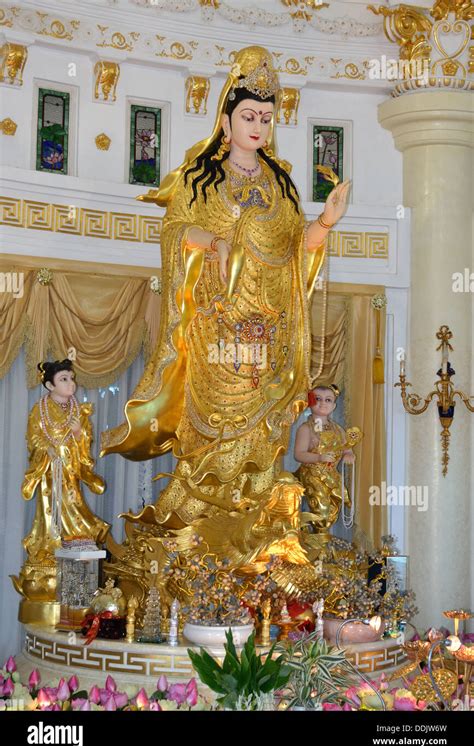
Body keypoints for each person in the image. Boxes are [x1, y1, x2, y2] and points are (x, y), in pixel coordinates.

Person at [100, 46, 350, 584]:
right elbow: (173, 233)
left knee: (262, 441)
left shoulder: (281, 185)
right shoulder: (200, 178)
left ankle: (259, 530)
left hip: (268, 333)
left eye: (266, 117)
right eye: (248, 116)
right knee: (212, 434)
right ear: (226, 116)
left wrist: (326, 223)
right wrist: (209, 242)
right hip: (217, 333)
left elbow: (295, 250)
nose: (258, 126)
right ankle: (200, 527)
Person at [12, 359, 109, 608]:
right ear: (49, 385)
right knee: (51, 510)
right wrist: (47, 449)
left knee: (74, 504)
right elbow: (33, 438)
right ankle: (50, 545)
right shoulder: (39, 409)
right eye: (64, 379)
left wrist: (78, 432)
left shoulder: (78, 411)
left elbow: (85, 444)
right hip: (49, 472)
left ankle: (77, 538)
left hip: (70, 471)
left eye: (71, 378)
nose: (71, 383)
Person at [294, 384, 362, 547]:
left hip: (332, 477)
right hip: (312, 476)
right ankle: (318, 549)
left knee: (332, 512)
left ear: (333, 406)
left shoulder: (338, 429)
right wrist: (319, 457)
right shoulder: (306, 428)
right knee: (321, 512)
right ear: (310, 402)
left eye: (328, 400)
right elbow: (299, 454)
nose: (323, 403)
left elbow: (347, 447)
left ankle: (321, 547)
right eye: (318, 399)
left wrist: (348, 455)